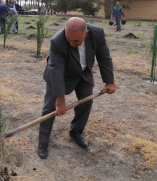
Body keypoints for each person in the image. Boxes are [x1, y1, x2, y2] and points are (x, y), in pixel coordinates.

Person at [37, 17, 116, 159]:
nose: (71, 44)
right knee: (50, 107)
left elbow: (104, 56)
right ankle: (43, 141)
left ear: (86, 33)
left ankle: (75, 132)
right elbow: (56, 70)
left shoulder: (97, 33)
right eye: (69, 39)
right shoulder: (57, 41)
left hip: (83, 73)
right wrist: (60, 100)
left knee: (86, 102)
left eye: (76, 41)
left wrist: (109, 81)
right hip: (60, 75)